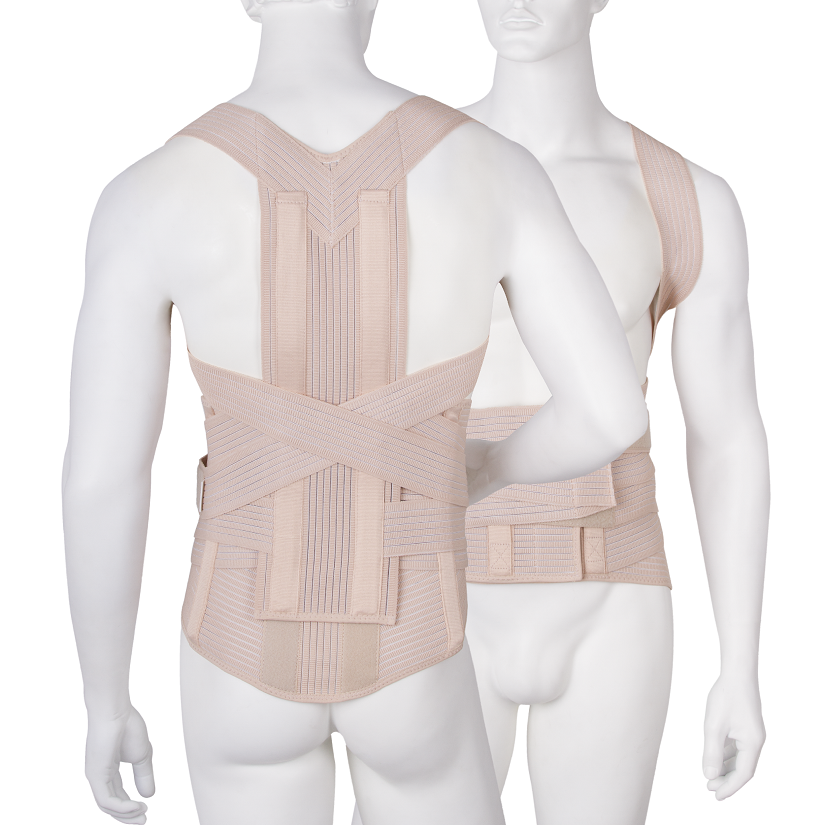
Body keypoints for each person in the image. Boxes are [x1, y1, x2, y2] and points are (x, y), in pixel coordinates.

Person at [62, 1, 647, 823]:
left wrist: (105, 698)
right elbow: (610, 413)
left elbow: (101, 480)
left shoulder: (146, 195)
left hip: (235, 650)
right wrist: (481, 470)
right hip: (416, 646)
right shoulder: (493, 171)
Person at [458, 1, 768, 822]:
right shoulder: (409, 171)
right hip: (440, 593)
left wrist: (739, 665)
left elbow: (726, 438)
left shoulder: (684, 199)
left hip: (611, 601)